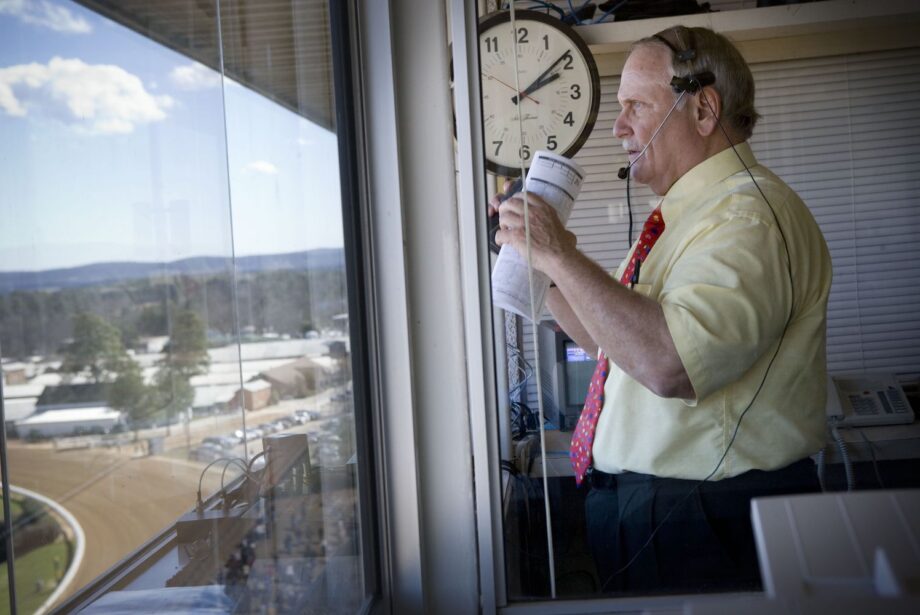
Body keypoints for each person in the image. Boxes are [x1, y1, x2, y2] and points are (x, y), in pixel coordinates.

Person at [491, 25, 832, 594]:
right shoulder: (688, 217)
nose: (619, 127)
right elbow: (612, 346)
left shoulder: (745, 219)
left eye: (636, 107)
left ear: (703, 109)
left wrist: (556, 252)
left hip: (705, 517)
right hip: (667, 510)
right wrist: (541, 261)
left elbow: (669, 363)